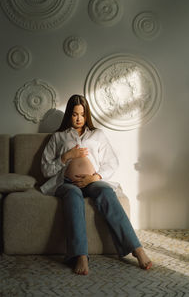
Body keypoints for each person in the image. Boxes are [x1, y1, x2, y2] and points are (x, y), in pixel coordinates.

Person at [40, 94, 152, 275]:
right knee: (74, 197)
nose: (78, 118)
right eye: (75, 114)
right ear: (69, 114)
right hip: (67, 183)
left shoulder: (97, 134)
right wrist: (66, 157)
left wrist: (95, 177)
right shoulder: (58, 137)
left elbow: (111, 162)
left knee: (106, 192)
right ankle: (80, 256)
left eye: (82, 114)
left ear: (87, 115)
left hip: (92, 181)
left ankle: (136, 249)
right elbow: (46, 169)